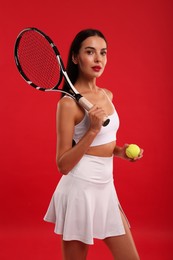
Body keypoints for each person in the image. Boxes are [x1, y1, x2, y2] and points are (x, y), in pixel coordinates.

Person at [44, 28, 143, 260]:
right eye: (90, 52)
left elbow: (106, 144)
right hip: (80, 189)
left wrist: (120, 152)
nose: (98, 59)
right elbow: (63, 165)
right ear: (76, 58)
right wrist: (93, 129)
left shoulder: (107, 95)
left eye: (103, 52)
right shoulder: (68, 104)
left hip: (106, 187)